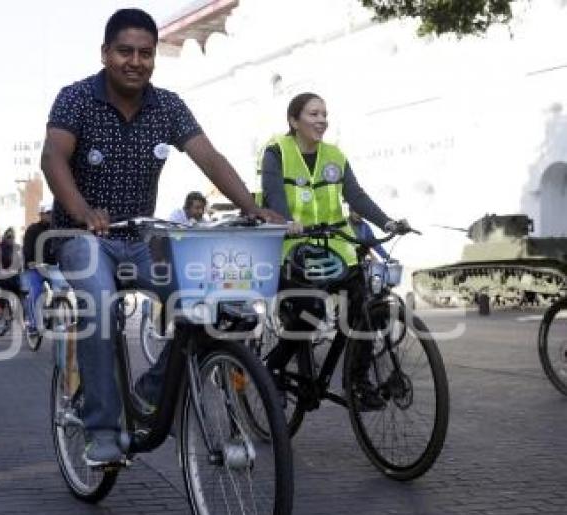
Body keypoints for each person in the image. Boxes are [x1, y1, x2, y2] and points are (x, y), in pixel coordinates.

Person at [40, 8, 284, 466]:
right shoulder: (75, 99)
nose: (135, 61)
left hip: (141, 239)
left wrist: (250, 207)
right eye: (125, 51)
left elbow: (210, 158)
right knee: (100, 302)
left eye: (146, 53)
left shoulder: (167, 106)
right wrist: (83, 212)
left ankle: (152, 392)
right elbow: (53, 158)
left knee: (213, 301)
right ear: (106, 53)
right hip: (81, 235)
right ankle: (101, 431)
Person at [259, 92, 410, 410]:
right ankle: (272, 366)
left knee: (364, 305)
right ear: (293, 121)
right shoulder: (276, 153)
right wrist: (286, 220)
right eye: (313, 114)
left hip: (334, 245)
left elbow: (356, 195)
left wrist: (387, 222)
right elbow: (273, 194)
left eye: (324, 114)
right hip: (292, 247)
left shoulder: (335, 156)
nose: (321, 120)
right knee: (310, 311)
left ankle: (357, 382)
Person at [21, 203, 55, 334]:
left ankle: (62, 314)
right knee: (35, 291)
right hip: (35, 267)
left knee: (62, 286)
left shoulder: (56, 229)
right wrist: (30, 261)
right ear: (41, 214)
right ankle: (33, 325)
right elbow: (27, 248)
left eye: (52, 213)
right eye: (47, 213)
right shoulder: (32, 229)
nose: (50, 215)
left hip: (52, 266)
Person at [0, 227, 22, 334]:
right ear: (5, 237)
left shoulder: (15, 248)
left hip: (10, 273)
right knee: (6, 289)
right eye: (9, 237)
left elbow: (19, 260)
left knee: (18, 288)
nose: (11, 239)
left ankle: (16, 313)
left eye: (12, 237)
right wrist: (1, 270)